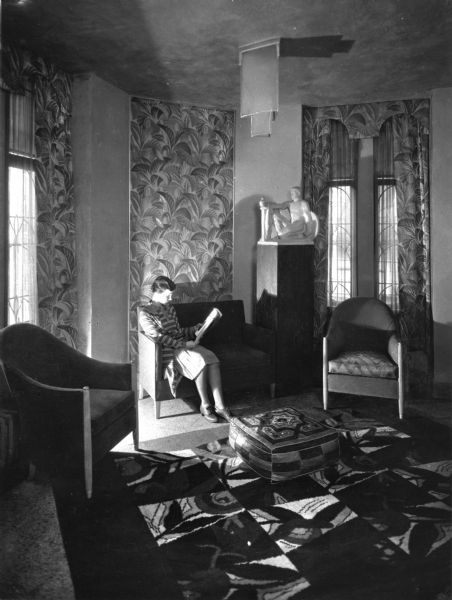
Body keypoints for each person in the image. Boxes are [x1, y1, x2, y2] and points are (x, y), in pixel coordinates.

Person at [139, 276, 231, 423]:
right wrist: (183, 345)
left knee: (212, 357)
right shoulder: (145, 313)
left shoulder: (170, 308)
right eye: (168, 295)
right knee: (200, 360)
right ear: (157, 292)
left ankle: (220, 406)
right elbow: (158, 337)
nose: (170, 298)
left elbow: (178, 331)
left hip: (183, 344)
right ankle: (205, 405)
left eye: (171, 295)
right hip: (168, 350)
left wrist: (195, 329)